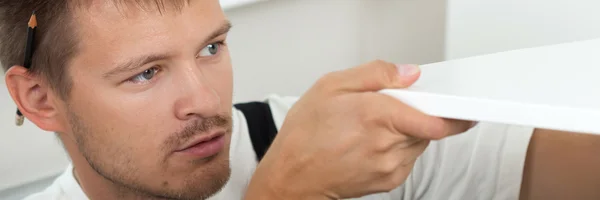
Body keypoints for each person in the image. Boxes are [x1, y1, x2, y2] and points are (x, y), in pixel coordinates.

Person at [1, 0, 599, 200]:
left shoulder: (311, 136)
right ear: (39, 98)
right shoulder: (301, 166)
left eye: (211, 49)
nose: (206, 101)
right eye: (145, 74)